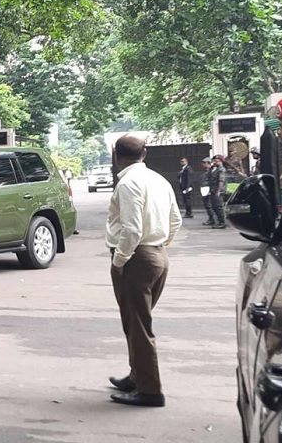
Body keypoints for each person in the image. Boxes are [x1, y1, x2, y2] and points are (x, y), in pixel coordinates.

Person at [105, 135, 182, 408]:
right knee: (135, 321)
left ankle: (150, 390)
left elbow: (132, 229)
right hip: (158, 254)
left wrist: (120, 261)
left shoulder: (128, 183)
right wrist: (161, 243)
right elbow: (176, 219)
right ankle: (137, 375)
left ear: (116, 155)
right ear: (144, 154)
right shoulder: (158, 180)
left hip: (137, 257)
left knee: (138, 325)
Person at [207, 155, 227, 229]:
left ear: (221, 161)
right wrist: (211, 168)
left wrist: (218, 191)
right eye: (214, 161)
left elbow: (221, 181)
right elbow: (208, 176)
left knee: (218, 207)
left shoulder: (221, 169)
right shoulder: (215, 169)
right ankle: (219, 221)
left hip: (218, 191)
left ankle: (222, 223)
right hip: (213, 190)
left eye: (217, 161)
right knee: (214, 206)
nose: (215, 162)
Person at [199, 157, 216, 226]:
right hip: (204, 189)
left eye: (204, 163)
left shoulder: (211, 171)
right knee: (207, 205)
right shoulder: (207, 171)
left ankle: (212, 219)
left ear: (208, 163)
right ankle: (211, 218)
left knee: (209, 205)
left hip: (208, 189)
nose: (202, 164)